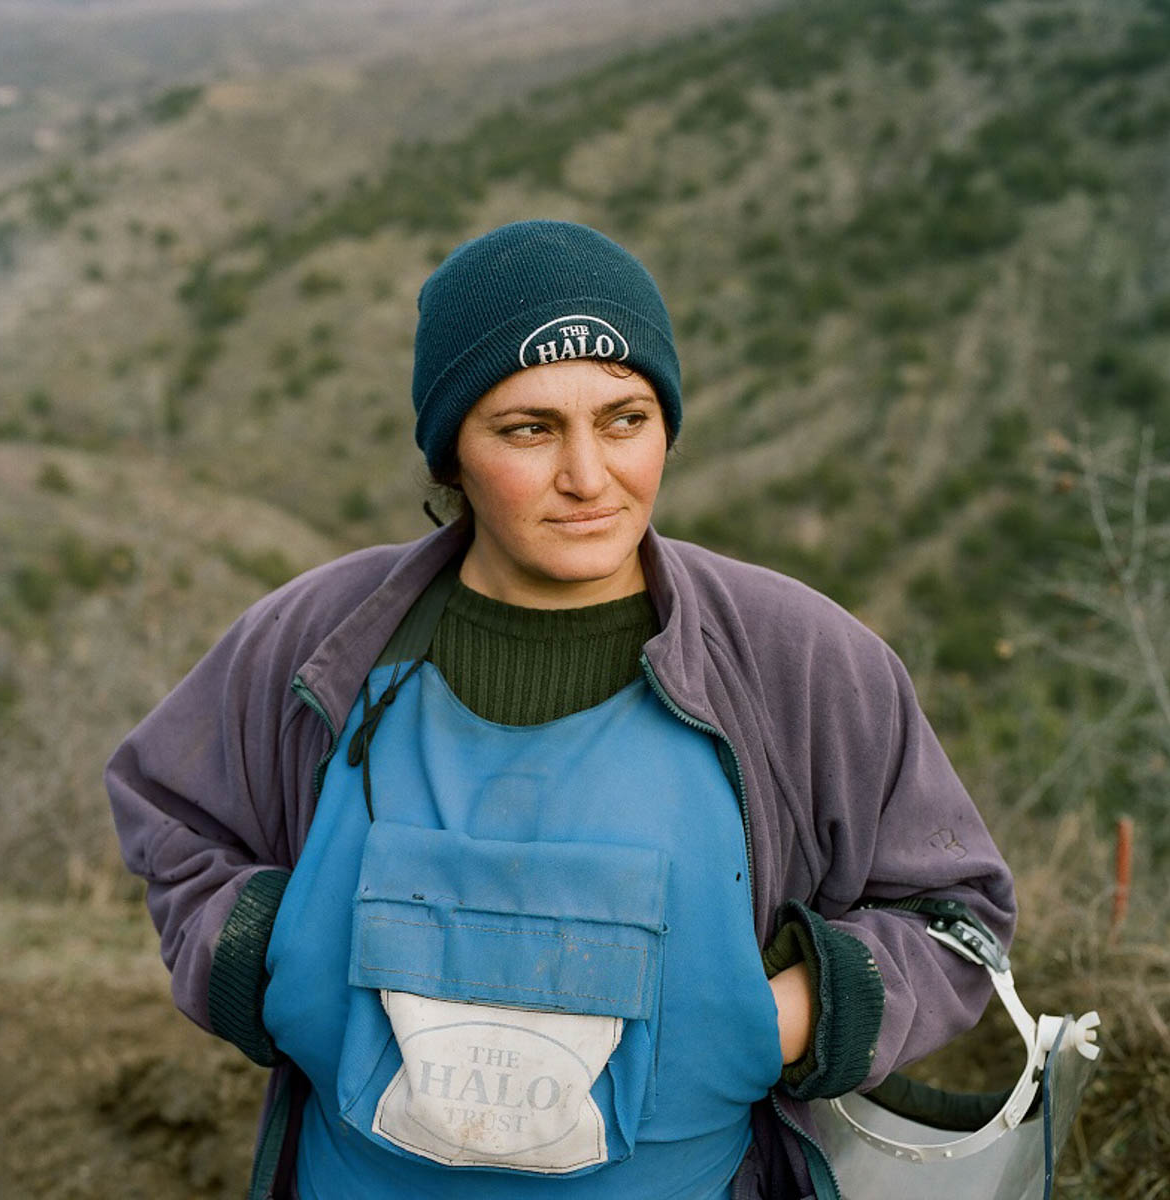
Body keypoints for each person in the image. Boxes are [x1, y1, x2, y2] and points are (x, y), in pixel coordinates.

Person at [106, 219, 1016, 1199]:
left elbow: (957, 915)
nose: (589, 477)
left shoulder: (801, 662)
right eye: (528, 429)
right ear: (450, 454)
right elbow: (173, 820)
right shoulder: (314, 642)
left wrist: (785, 1015)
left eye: (625, 419)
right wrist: (270, 961)